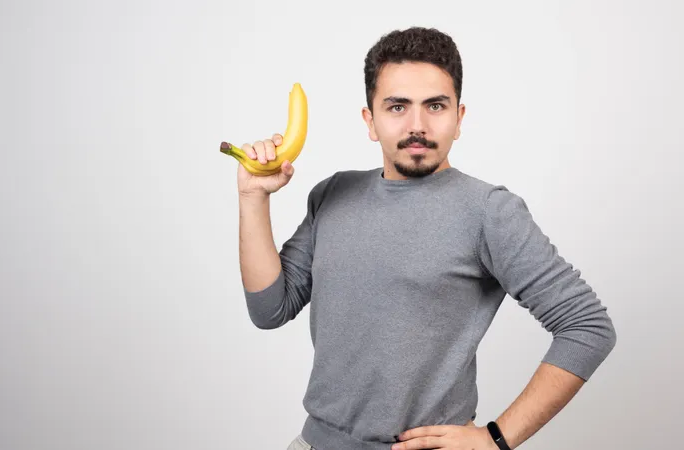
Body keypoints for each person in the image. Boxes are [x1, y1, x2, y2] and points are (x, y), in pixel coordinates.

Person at [236, 26, 617, 450]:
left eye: (435, 106)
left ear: (459, 118)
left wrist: (495, 439)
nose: (417, 125)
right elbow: (270, 309)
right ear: (370, 121)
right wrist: (253, 197)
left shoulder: (488, 211)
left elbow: (587, 326)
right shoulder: (333, 193)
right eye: (397, 106)